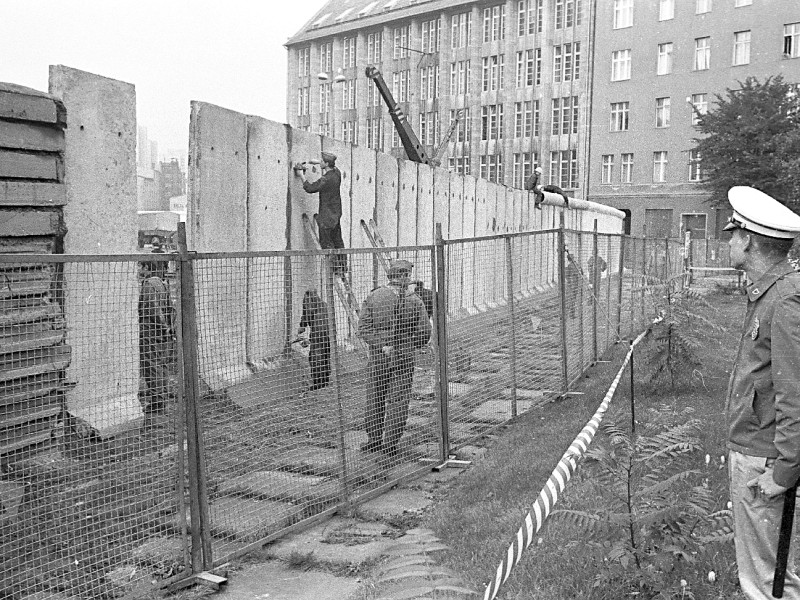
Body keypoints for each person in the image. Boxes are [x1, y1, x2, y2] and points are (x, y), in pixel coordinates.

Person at [723, 185, 800, 599]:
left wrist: (784, 472)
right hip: (758, 450)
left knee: (770, 583)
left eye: (733, 233)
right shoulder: (769, 293)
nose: (730, 240)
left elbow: (796, 394)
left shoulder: (786, 300)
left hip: (767, 460)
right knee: (765, 573)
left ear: (749, 240)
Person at [358, 260, 432, 459]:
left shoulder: (374, 296)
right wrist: (408, 343)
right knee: (398, 399)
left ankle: (374, 440)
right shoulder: (415, 301)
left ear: (390, 277)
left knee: (375, 395)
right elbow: (425, 332)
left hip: (378, 355)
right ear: (405, 277)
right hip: (404, 355)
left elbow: (363, 329)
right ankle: (390, 444)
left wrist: (382, 345)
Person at [294, 151, 347, 275]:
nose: (320, 162)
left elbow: (310, 188)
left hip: (326, 216)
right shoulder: (337, 173)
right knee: (338, 241)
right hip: (336, 213)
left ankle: (334, 269)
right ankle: (343, 267)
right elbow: (334, 166)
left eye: (322, 161)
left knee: (327, 243)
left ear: (327, 164)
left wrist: (301, 174)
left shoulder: (326, 179)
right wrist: (318, 163)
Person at [138, 260, 173, 415]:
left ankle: (157, 403)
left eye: (141, 267)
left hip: (150, 331)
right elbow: (169, 308)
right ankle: (161, 399)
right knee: (161, 365)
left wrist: (163, 325)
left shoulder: (148, 285)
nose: (139, 270)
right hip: (161, 332)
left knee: (151, 366)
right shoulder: (162, 283)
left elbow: (153, 310)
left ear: (147, 267)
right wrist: (168, 328)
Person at [299, 289, 331, 391]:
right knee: (324, 357)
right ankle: (325, 380)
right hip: (326, 336)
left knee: (316, 358)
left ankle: (319, 383)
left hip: (320, 335)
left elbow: (308, 313)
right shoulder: (323, 305)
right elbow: (307, 314)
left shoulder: (316, 308)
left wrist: (303, 328)